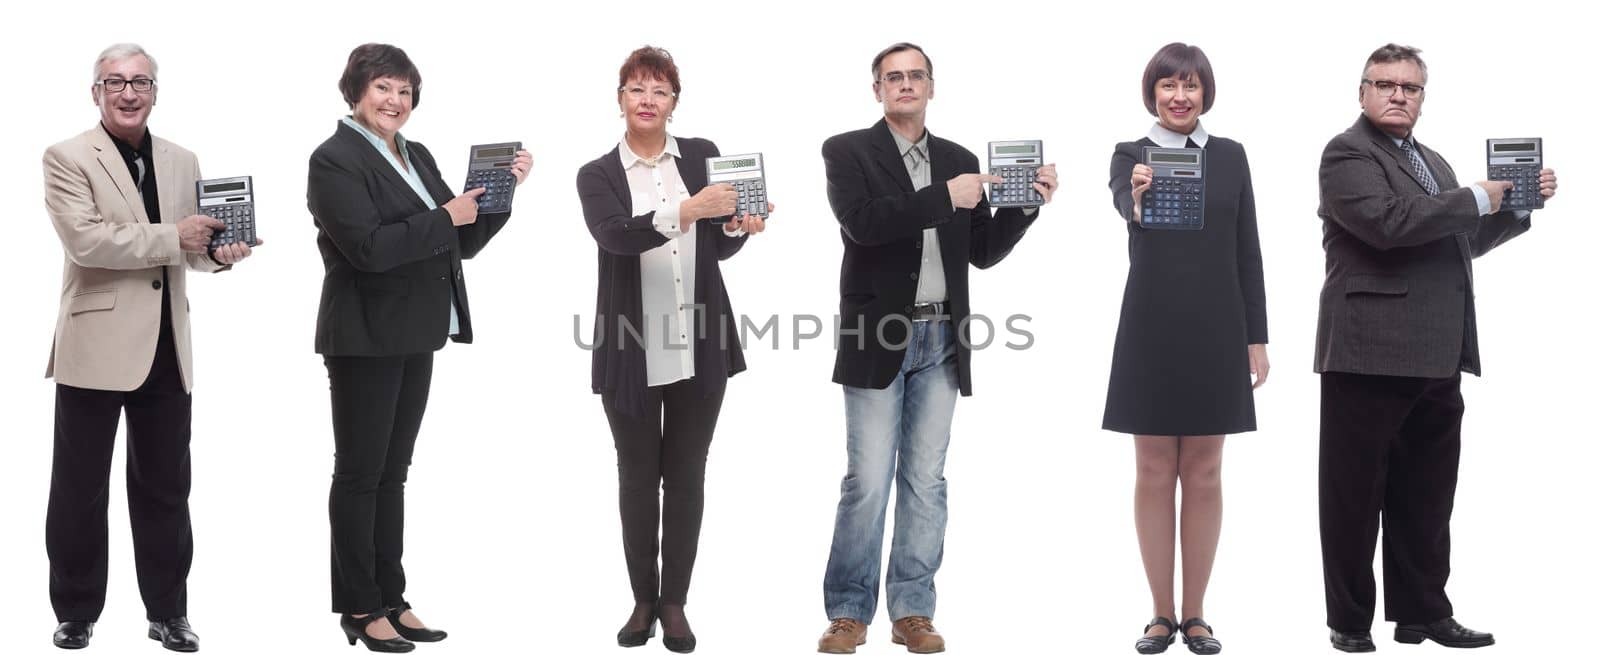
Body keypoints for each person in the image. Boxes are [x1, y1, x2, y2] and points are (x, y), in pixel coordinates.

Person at [1315, 43, 1557, 653]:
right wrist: (1479, 196)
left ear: (1424, 97)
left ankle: (1423, 614)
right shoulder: (1347, 153)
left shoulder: (1435, 162)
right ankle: (1350, 621)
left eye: (1411, 87)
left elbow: (1454, 241)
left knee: (1426, 496)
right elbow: (1389, 223)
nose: (1399, 94)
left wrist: (1516, 207)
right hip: (1367, 352)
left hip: (1437, 350)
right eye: (1386, 83)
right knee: (1353, 496)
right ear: (1362, 91)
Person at [816, 42, 1057, 655]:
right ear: (877, 90)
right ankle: (848, 613)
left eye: (914, 76)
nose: (904, 85)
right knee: (867, 480)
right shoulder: (848, 151)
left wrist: (1025, 205)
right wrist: (948, 196)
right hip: (878, 335)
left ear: (930, 86)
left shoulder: (959, 159)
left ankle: (913, 611)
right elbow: (863, 224)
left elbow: (981, 250)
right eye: (892, 77)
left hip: (942, 338)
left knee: (926, 480)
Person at [307, 42, 530, 653]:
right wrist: (448, 214)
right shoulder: (333, 159)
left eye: (404, 92)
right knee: (359, 474)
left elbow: (459, 241)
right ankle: (358, 607)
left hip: (417, 332)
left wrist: (498, 196)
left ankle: (391, 598)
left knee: (393, 474)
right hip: (364, 336)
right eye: (383, 88)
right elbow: (369, 248)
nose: (395, 101)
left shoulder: (417, 154)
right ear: (355, 91)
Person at [43, 42, 260, 653]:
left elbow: (190, 250)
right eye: (115, 82)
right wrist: (176, 236)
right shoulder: (65, 157)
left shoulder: (182, 159)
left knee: (166, 488)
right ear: (97, 93)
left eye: (140, 82)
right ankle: (76, 611)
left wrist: (220, 255)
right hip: (96, 343)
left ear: (156, 93)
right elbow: (87, 242)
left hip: (168, 346)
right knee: (79, 488)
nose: (129, 92)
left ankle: (168, 612)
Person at [576, 45, 769, 655]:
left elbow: (716, 246)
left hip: (700, 342)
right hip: (631, 346)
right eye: (637, 90)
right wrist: (687, 210)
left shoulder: (705, 157)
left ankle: (675, 603)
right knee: (638, 478)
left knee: (686, 477)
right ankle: (641, 599)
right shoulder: (597, 174)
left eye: (659, 91)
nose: (647, 101)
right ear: (620, 100)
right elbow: (614, 237)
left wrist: (737, 227)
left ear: (674, 102)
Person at [1104, 43, 1268, 655]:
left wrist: (1257, 335)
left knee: (1203, 472)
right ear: (1152, 93)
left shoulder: (1230, 157)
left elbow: (1246, 245)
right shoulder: (1131, 155)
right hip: (1151, 323)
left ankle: (1196, 615)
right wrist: (1138, 192)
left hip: (1219, 324)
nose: (1180, 96)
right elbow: (1124, 204)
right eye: (1169, 86)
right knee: (1152, 469)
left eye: (1191, 86)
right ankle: (1159, 614)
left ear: (1205, 93)